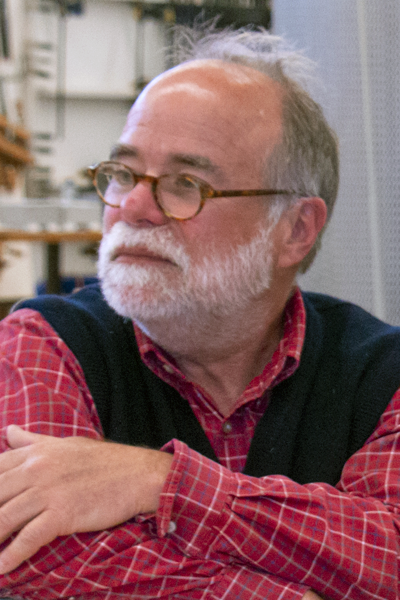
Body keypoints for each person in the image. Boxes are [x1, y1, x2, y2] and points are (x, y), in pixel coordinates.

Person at [0, 24, 399, 600]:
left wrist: (161, 483)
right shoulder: (44, 344)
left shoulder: (383, 374)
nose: (133, 207)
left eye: (186, 183)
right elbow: (32, 551)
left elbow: (388, 550)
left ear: (295, 229)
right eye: (123, 174)